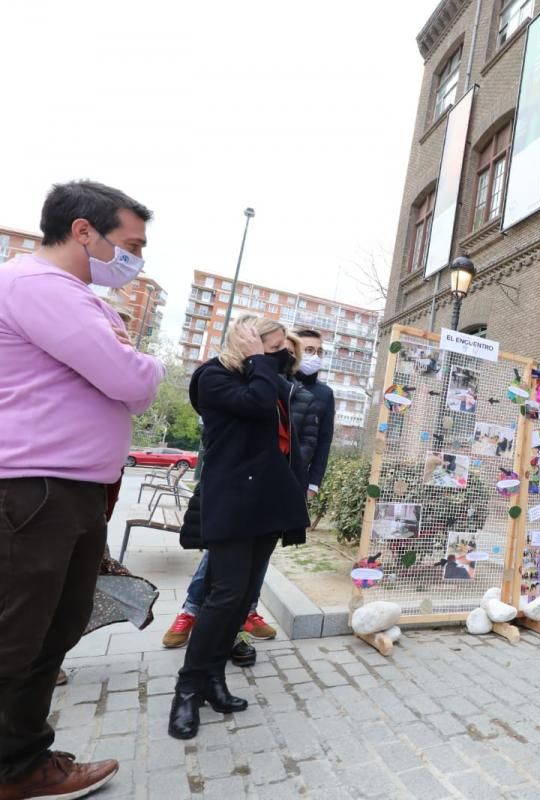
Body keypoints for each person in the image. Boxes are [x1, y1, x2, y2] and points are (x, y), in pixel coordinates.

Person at [0, 180, 164, 798]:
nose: (136, 260)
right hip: (34, 490)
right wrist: (139, 364)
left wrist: (127, 361)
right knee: (18, 637)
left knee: (50, 632)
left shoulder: (72, 296)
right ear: (83, 231)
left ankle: (20, 764)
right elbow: (130, 377)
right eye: (131, 244)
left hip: (68, 492)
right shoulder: (40, 287)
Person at [169, 316, 310, 740]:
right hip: (232, 501)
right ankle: (187, 688)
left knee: (244, 594)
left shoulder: (266, 377)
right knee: (224, 593)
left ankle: (214, 679)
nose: (279, 356)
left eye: (283, 349)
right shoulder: (213, 376)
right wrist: (259, 363)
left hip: (267, 502)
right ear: (248, 343)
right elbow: (256, 405)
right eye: (272, 348)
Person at [164, 330, 331, 649]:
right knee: (224, 563)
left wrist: (310, 482)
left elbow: (319, 441)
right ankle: (192, 611)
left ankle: (241, 622)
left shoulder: (316, 395)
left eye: (315, 352)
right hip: (246, 485)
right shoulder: (247, 380)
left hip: (282, 486)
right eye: (304, 349)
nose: (308, 356)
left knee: (254, 564)